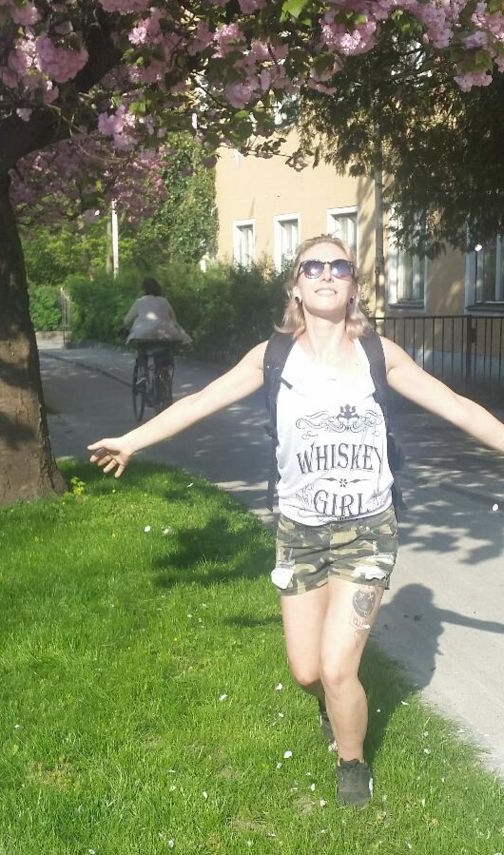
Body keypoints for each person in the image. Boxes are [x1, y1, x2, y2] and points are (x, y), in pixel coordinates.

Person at [88, 234, 504, 808]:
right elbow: (201, 400)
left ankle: (352, 763)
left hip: (367, 531)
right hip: (299, 531)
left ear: (353, 286)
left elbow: (456, 406)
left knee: (336, 669)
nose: (326, 274)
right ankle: (331, 703)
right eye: (313, 267)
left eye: (339, 266)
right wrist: (132, 441)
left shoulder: (379, 355)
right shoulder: (272, 357)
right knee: (307, 671)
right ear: (296, 286)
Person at [121, 276, 192, 363]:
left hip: (143, 335)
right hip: (166, 334)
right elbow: (174, 319)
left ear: (144, 289)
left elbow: (127, 320)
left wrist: (124, 326)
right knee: (165, 348)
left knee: (142, 350)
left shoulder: (140, 302)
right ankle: (165, 366)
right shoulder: (164, 301)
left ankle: (143, 367)